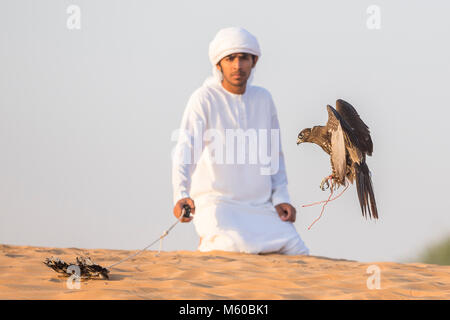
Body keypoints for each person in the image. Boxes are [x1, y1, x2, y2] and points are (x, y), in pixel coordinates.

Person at [171, 27, 309, 255]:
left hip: (260, 208)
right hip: (216, 204)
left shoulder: (263, 99)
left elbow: (274, 156)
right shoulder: (204, 98)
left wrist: (281, 198)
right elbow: (185, 152)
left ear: (253, 61)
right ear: (218, 64)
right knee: (233, 248)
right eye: (230, 58)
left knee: (297, 251)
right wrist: (181, 195)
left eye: (244, 58)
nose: (237, 65)